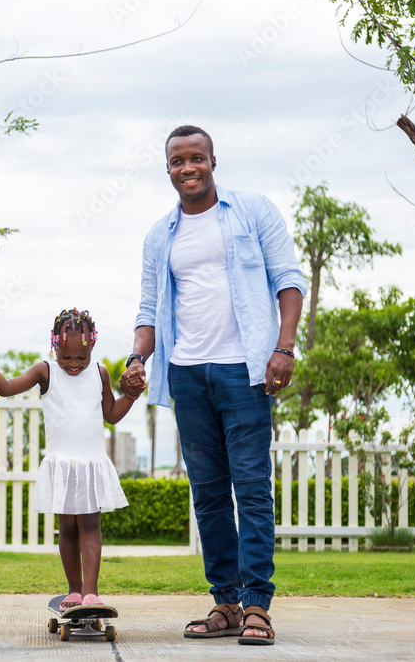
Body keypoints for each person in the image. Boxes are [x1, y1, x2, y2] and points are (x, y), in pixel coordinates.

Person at [120, 125, 306, 646]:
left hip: (243, 369)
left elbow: (288, 281)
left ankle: (257, 606)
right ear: (168, 169)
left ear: (213, 160)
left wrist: (284, 348)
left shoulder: (252, 211)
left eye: (196, 158)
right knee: (206, 496)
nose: (188, 168)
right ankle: (224, 601)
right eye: (178, 161)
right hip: (186, 371)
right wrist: (138, 356)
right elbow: (149, 308)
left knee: (250, 488)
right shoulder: (162, 234)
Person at [0, 309, 139, 609]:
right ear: (54, 345)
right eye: (66, 357)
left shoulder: (100, 373)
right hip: (62, 466)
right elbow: (6, 388)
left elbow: (111, 415)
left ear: (92, 347)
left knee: (90, 525)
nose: (73, 365)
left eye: (81, 358)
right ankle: (74, 590)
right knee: (68, 528)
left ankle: (91, 592)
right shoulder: (44, 371)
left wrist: (131, 396)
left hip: (90, 463)